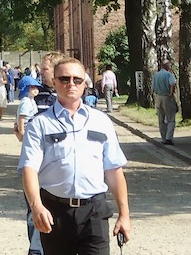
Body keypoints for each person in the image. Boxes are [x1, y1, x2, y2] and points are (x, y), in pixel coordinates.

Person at [19, 56, 132, 254]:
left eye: (76, 80)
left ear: (84, 83)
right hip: (55, 212)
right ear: (54, 82)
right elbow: (29, 169)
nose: (71, 84)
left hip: (94, 212)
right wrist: (36, 206)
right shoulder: (39, 124)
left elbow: (114, 170)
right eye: (64, 79)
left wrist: (125, 214)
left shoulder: (101, 121)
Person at [15, 52, 61, 255]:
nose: (41, 73)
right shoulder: (38, 96)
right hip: (37, 166)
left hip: (59, 166)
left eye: (45, 69)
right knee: (34, 213)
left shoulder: (74, 98)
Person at [151, 60, 177, 143]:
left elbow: (153, 87)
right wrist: (171, 93)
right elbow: (173, 84)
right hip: (167, 97)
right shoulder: (169, 74)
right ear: (167, 66)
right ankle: (169, 138)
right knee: (171, 119)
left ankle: (163, 138)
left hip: (158, 97)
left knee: (161, 119)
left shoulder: (156, 75)